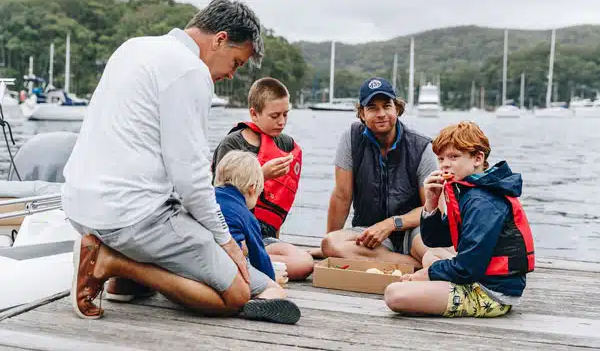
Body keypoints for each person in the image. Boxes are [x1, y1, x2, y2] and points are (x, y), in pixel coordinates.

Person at [63, 0, 287, 322]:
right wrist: (226, 243)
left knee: (192, 245)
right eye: (236, 63)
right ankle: (111, 263)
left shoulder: (134, 47)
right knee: (236, 292)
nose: (230, 74)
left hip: (80, 207)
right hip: (132, 217)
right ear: (220, 39)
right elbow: (192, 179)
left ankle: (126, 279)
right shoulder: (189, 70)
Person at [384, 121, 535, 317]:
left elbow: (467, 268)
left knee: (394, 294)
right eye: (440, 158)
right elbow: (436, 241)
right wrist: (431, 203)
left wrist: (424, 275)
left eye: (454, 157)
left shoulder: (484, 201)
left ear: (478, 158)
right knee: (431, 255)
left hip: (491, 293)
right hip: (480, 276)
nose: (445, 164)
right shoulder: (467, 190)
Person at [319, 77, 438, 268]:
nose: (381, 113)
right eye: (373, 107)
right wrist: (329, 248)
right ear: (362, 113)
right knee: (330, 243)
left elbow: (431, 209)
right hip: (369, 233)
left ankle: (418, 261)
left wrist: (391, 224)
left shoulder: (422, 147)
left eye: (387, 106)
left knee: (425, 246)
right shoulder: (351, 138)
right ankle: (417, 265)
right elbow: (341, 196)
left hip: (412, 231)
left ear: (397, 109)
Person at [211, 77, 314, 280]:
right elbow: (220, 195)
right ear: (254, 114)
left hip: (264, 236)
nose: (282, 121)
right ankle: (241, 257)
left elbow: (280, 201)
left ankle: (249, 260)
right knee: (297, 264)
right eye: (274, 115)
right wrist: (261, 174)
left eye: (285, 114)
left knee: (305, 262)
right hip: (234, 232)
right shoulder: (232, 144)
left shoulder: (285, 144)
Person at [213, 150, 300, 324]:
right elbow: (258, 253)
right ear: (253, 188)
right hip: (228, 263)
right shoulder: (246, 214)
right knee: (276, 291)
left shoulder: (206, 199)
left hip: (200, 259)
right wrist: (270, 278)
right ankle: (253, 304)